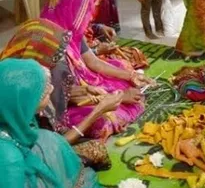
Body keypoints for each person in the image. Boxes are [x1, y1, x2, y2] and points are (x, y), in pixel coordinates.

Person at [0, 59, 117, 188]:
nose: (52, 88)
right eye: (44, 92)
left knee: (48, 141)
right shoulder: (8, 156)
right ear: (23, 102)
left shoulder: (10, 117)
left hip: (13, 178)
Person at [0, 19, 124, 170]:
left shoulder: (19, 75)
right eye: (56, 58)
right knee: (94, 149)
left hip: (29, 145)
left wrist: (85, 90)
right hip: (24, 161)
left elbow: (56, 92)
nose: (51, 88)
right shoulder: (23, 92)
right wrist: (98, 111)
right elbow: (52, 145)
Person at [40, 0, 151, 140]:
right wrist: (114, 97)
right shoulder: (53, 51)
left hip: (75, 88)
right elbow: (58, 98)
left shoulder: (67, 28)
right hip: (56, 106)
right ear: (71, 10)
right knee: (104, 121)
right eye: (84, 13)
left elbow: (94, 63)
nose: (88, 19)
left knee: (123, 75)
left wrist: (130, 75)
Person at [69, 0, 149, 70]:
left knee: (135, 54)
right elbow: (70, 54)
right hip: (81, 60)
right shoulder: (65, 20)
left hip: (90, 48)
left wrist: (100, 28)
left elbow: (86, 27)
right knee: (120, 65)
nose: (94, 4)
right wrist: (96, 51)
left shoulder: (78, 10)